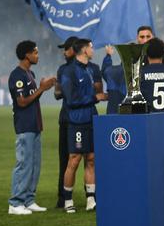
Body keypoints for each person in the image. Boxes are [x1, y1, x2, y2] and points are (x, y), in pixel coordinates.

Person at [8, 41, 56, 215]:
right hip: (24, 126)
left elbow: (32, 97)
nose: (38, 55)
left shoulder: (30, 73)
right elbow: (21, 102)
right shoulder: (17, 75)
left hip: (35, 124)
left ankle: (28, 200)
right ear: (27, 55)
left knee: (35, 165)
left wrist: (43, 88)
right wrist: (41, 88)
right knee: (24, 164)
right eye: (35, 52)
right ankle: (15, 203)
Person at [60, 38, 107, 213]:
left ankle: (90, 200)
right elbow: (71, 100)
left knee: (92, 159)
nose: (93, 49)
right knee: (74, 160)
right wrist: (96, 98)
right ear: (84, 50)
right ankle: (67, 201)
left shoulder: (89, 69)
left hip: (91, 119)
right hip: (77, 121)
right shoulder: (69, 71)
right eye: (91, 47)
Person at [52, 36, 77, 208]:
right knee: (64, 159)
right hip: (66, 120)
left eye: (66, 48)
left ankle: (92, 195)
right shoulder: (62, 69)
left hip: (82, 119)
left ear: (74, 49)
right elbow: (56, 94)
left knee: (90, 158)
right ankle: (62, 197)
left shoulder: (89, 68)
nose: (64, 52)